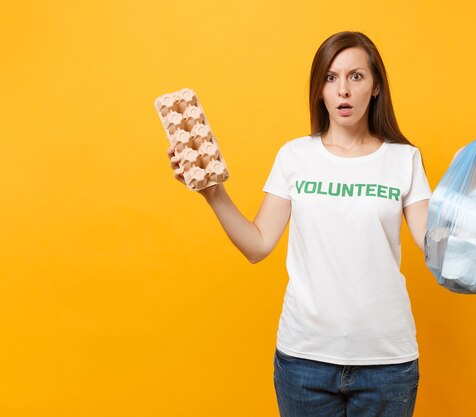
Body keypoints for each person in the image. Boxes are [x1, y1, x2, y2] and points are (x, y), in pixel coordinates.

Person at [167, 31, 431, 417]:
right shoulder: (295, 157)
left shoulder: (403, 159)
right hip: (304, 361)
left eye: (356, 77)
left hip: (387, 362)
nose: (343, 89)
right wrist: (213, 193)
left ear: (375, 87)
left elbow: (436, 244)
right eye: (330, 77)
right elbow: (258, 246)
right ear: (319, 89)